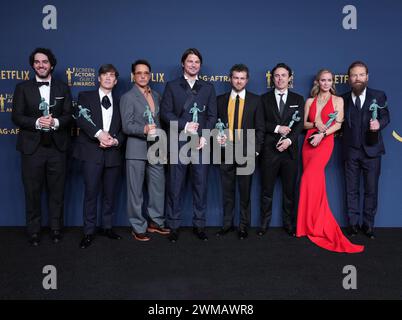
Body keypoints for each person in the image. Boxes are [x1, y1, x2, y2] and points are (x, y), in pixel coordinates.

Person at [296, 69, 364, 253]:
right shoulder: (309, 101)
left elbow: (339, 123)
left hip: (325, 142)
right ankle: (307, 226)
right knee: (311, 182)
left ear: (332, 82)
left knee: (309, 178)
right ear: (317, 82)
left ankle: (315, 225)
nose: (325, 83)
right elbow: (303, 124)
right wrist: (315, 125)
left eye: (329, 80)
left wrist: (322, 133)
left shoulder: (338, 100)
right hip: (309, 143)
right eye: (322, 80)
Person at [11, 48, 72, 246]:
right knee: (32, 191)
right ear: (32, 65)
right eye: (37, 62)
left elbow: (69, 116)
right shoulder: (22, 88)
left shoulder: (63, 88)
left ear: (51, 64)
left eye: (44, 61)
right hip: (32, 148)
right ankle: (34, 230)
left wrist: (54, 123)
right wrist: (38, 122)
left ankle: (56, 228)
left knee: (57, 191)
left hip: (57, 148)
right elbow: (16, 116)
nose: (41, 65)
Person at [160, 48, 217, 242]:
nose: (193, 64)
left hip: (201, 143)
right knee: (175, 185)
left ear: (200, 65)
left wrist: (204, 136)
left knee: (200, 186)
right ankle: (173, 225)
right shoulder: (172, 86)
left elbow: (211, 116)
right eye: (190, 61)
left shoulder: (208, 88)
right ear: (183, 63)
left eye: (197, 62)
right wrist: (185, 125)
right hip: (179, 141)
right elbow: (165, 113)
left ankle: (199, 225)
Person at [73, 64, 125, 249]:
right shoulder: (85, 96)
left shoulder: (121, 101)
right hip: (91, 152)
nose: (108, 78)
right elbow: (81, 119)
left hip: (112, 153)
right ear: (99, 78)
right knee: (91, 194)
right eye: (105, 75)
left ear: (116, 81)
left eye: (112, 76)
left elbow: (123, 128)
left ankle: (108, 227)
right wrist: (99, 135)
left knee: (110, 195)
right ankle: (88, 231)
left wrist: (114, 141)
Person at [120, 59, 170, 242]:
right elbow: (126, 125)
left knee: (158, 187)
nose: (143, 76)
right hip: (136, 149)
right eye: (139, 73)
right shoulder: (127, 97)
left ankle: (155, 222)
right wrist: (143, 129)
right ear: (133, 75)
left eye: (146, 73)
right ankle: (137, 226)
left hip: (156, 148)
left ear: (150, 75)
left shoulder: (156, 95)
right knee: (136, 191)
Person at [215, 64, 264, 240]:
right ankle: (227, 224)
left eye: (242, 78)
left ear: (247, 80)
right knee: (227, 191)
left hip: (247, 151)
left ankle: (243, 226)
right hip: (225, 151)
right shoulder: (220, 99)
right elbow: (215, 125)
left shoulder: (256, 100)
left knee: (245, 192)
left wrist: (256, 151)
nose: (238, 81)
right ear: (230, 79)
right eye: (236, 77)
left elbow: (260, 128)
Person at [342, 61, 390, 239]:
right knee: (351, 190)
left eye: (361, 75)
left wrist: (379, 123)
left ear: (367, 77)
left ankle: (368, 225)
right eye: (354, 75)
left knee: (371, 190)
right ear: (349, 79)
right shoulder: (343, 99)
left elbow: (386, 116)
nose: (358, 78)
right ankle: (353, 225)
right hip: (351, 151)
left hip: (372, 151)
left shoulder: (379, 95)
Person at [259, 63, 305, 237]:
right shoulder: (263, 99)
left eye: (283, 75)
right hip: (269, 151)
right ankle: (264, 224)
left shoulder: (298, 99)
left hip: (289, 152)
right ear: (272, 78)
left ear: (289, 77)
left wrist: (289, 141)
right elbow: (261, 123)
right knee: (266, 190)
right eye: (276, 75)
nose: (280, 79)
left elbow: (299, 125)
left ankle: (289, 224)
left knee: (289, 192)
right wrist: (278, 128)